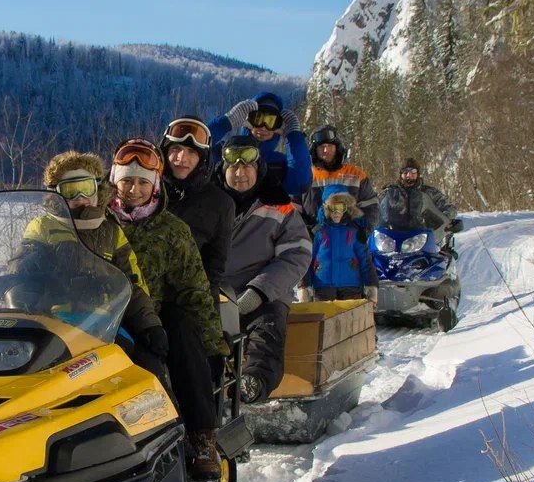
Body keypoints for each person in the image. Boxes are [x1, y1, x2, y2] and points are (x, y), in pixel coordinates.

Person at [108, 138, 229, 478]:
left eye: (143, 182)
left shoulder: (172, 231)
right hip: (100, 317)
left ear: (155, 186)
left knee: (183, 325)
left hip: (154, 319)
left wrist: (212, 346)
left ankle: (202, 435)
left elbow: (194, 289)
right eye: (127, 180)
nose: (134, 189)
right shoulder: (99, 224)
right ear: (114, 181)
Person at [16, 151, 168, 368]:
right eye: (69, 190)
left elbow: (133, 283)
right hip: (53, 321)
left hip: (103, 324)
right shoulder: (43, 227)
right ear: (56, 194)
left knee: (147, 367)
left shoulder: (111, 232)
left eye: (86, 188)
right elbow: (22, 263)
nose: (79, 197)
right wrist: (34, 265)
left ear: (97, 190)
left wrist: (149, 325)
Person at [219, 135, 312, 404]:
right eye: (233, 168)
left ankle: (254, 380)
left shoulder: (279, 206)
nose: (239, 174)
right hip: (216, 293)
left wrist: (260, 289)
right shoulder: (210, 205)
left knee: (266, 330)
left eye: (246, 167)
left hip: (263, 293)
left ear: (258, 169)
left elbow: (297, 253)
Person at [160, 116, 234, 302]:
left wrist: (207, 318)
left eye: (191, 152)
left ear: (202, 158)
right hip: (139, 295)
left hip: (188, 299)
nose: (181, 158)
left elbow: (213, 268)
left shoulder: (219, 204)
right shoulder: (147, 191)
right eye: (175, 149)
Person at [208, 92, 312, 198]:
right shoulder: (226, 153)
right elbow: (196, 149)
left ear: (277, 127)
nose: (263, 128)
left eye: (270, 121)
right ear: (248, 122)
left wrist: (294, 135)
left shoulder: (279, 163)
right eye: (258, 119)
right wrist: (227, 121)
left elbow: (299, 184)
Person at [302, 124, 378, 233]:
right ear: (314, 150)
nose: (325, 150)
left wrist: (363, 231)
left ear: (337, 147)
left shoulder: (356, 175)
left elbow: (371, 206)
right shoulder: (306, 175)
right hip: (314, 241)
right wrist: (306, 232)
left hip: (349, 240)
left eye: (329, 146)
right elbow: (294, 208)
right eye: (321, 147)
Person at [308, 192, 378, 302]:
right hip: (324, 286)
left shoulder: (355, 232)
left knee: (352, 318)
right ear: (326, 209)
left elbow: (365, 260)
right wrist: (305, 286)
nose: (336, 212)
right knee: (323, 317)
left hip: (350, 287)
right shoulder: (318, 232)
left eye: (340, 207)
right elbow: (307, 260)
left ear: (347, 209)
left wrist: (371, 285)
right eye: (332, 208)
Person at [378, 158, 459, 240]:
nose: (409, 175)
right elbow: (373, 207)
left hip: (423, 239)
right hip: (391, 239)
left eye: (413, 172)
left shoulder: (430, 192)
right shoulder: (389, 193)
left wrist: (447, 219)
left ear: (418, 173)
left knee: (442, 251)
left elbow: (449, 207)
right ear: (401, 174)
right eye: (405, 172)